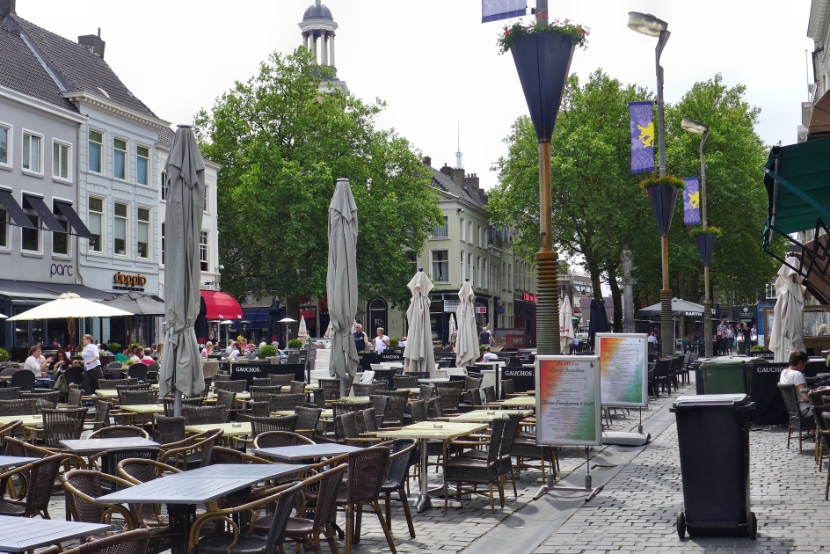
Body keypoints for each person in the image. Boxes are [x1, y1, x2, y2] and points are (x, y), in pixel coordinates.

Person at [780, 350, 811, 415]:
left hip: (794, 410)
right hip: (805, 409)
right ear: (800, 363)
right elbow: (806, 398)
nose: (804, 368)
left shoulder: (783, 373)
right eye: (804, 364)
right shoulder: (797, 374)